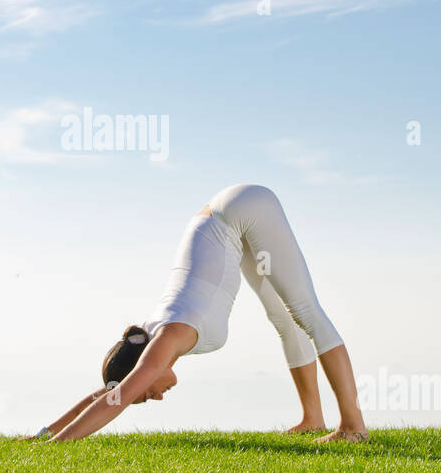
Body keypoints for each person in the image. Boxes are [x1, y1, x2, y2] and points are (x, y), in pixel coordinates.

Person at [30, 184, 367, 444]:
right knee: (284, 319)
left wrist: (58, 447)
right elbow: (105, 394)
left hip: (241, 209)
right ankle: (313, 419)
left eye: (146, 392)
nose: (155, 396)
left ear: (141, 366)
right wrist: (45, 434)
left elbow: (117, 399)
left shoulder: (168, 336)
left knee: (305, 311)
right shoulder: (152, 338)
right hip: (222, 222)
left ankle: (353, 426)